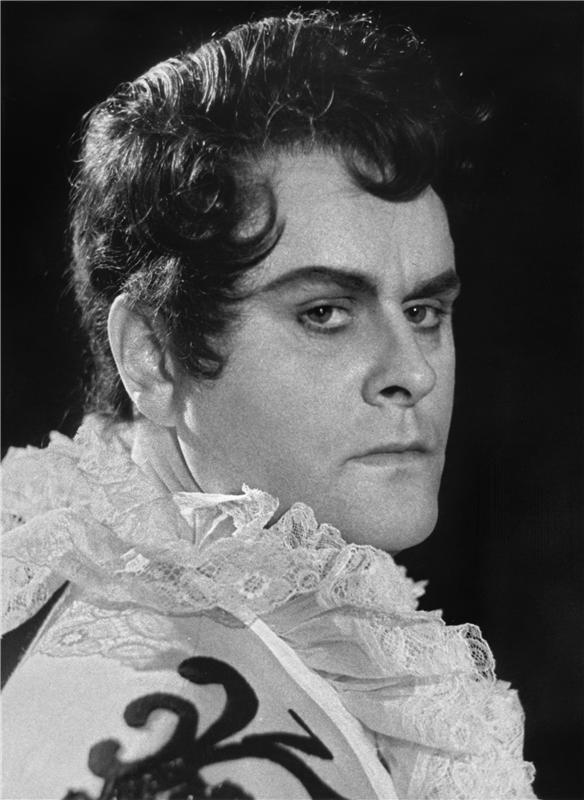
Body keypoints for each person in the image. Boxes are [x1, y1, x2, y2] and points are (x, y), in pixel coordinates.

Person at [1, 10, 537, 799]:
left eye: (424, 311)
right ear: (154, 354)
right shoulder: (172, 728)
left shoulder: (263, 624)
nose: (413, 373)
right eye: (325, 312)